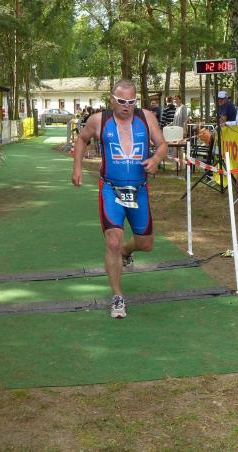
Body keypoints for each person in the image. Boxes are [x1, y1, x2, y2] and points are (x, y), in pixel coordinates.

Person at [72, 80, 167, 319]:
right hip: (110, 189)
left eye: (131, 101)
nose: (127, 106)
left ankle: (127, 250)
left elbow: (162, 144)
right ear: (112, 99)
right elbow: (82, 139)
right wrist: (77, 168)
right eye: (122, 101)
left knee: (146, 244)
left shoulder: (146, 118)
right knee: (112, 241)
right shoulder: (98, 120)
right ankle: (117, 296)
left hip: (139, 189)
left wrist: (156, 159)